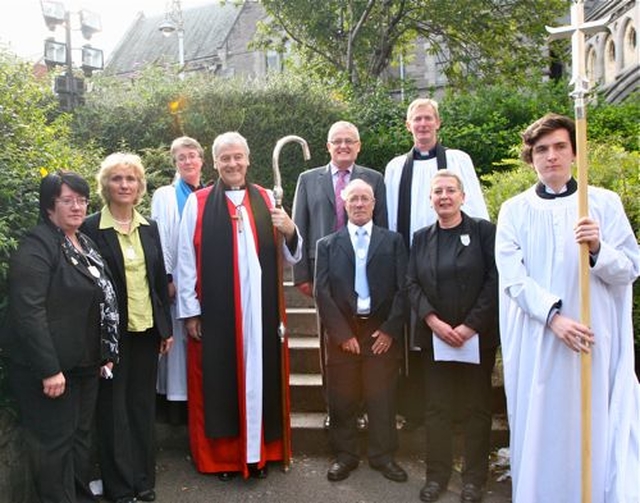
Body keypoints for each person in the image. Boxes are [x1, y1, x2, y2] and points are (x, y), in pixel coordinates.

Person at [495, 113, 640, 503]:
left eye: (560, 147)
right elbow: (512, 278)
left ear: (575, 153)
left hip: (595, 343)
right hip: (541, 344)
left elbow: (630, 268)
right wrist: (554, 318)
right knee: (543, 427)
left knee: (591, 428)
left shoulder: (603, 204)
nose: (551, 156)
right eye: (541, 150)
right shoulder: (515, 210)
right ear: (531, 159)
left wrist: (598, 249)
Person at [176, 131, 302, 480]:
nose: (232, 163)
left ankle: (261, 454)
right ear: (215, 163)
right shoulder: (199, 203)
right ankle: (225, 459)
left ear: (248, 160)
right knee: (219, 383)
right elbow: (186, 260)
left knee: (262, 378)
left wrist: (290, 229)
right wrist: (191, 311)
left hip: (260, 311)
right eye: (225, 158)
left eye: (238, 157)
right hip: (219, 315)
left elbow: (289, 255)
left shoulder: (265, 198)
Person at [1, 171, 119, 503]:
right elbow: (29, 311)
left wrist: (104, 350)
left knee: (80, 440)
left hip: (84, 363)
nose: (78, 207)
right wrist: (49, 369)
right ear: (49, 205)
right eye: (68, 200)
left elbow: (100, 299)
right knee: (54, 446)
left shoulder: (83, 241)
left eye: (82, 200)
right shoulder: (36, 247)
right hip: (50, 370)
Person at [385, 97, 490, 431]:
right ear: (408, 125)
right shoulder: (395, 167)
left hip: (457, 268)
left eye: (428, 118)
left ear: (438, 122)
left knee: (457, 339)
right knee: (416, 341)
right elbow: (389, 221)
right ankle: (417, 411)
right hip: (415, 268)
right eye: (416, 119)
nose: (423, 125)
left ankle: (459, 412)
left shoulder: (459, 160)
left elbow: (479, 214)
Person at [82, 153, 173, 503]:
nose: (124, 185)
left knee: (141, 407)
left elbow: (157, 282)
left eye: (130, 179)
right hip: (110, 338)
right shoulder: (92, 228)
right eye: (117, 179)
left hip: (147, 332)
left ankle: (143, 480)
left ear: (139, 187)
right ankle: (119, 487)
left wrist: (165, 329)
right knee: (112, 410)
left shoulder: (149, 227)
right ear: (106, 185)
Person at [406, 171, 499, 503]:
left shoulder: (483, 231)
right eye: (437, 192)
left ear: (463, 196)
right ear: (430, 199)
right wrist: (433, 321)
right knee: (437, 409)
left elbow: (494, 279)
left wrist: (469, 326)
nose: (444, 196)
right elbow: (412, 283)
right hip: (437, 338)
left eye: (450, 191)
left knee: (477, 409)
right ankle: (437, 476)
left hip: (477, 337)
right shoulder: (420, 237)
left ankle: (474, 480)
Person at [292, 120, 387, 429]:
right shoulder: (308, 180)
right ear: (328, 146)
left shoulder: (373, 179)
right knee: (330, 341)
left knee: (363, 341)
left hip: (364, 273)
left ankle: (362, 408)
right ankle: (335, 409)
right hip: (323, 273)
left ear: (358, 146)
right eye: (337, 141)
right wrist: (301, 273)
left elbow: (383, 227)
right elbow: (298, 226)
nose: (343, 145)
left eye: (350, 140)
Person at [314, 179, 408, 483]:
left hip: (380, 331)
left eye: (364, 198)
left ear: (374, 203)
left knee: (382, 397)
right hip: (344, 332)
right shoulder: (327, 244)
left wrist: (390, 330)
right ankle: (345, 455)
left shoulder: (393, 241)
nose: (359, 204)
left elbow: (404, 288)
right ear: (344, 203)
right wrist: (342, 335)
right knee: (342, 399)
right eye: (353, 198)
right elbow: (322, 292)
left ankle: (383, 456)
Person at [151, 136, 205, 424]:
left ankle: (198, 399)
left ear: (201, 160)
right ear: (175, 163)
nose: (187, 161)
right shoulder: (166, 195)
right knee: (177, 346)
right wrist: (168, 277)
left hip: (202, 279)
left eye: (192, 155)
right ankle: (176, 407)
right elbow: (161, 238)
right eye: (181, 157)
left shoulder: (208, 193)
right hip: (176, 280)